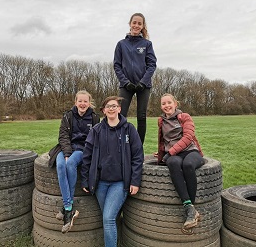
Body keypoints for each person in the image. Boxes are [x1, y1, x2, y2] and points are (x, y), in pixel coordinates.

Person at [81, 96, 144, 247]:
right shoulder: (96, 131)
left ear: (119, 109)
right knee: (109, 217)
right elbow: (86, 157)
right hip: (100, 184)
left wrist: (135, 181)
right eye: (108, 106)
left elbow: (137, 156)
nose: (111, 108)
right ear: (103, 111)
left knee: (108, 218)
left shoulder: (129, 129)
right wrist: (85, 180)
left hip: (120, 183)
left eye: (114, 106)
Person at [156, 93, 205, 233]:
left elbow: (188, 137)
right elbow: (163, 140)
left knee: (188, 165)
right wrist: (161, 153)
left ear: (175, 104)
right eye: (163, 104)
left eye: (169, 103)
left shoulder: (184, 117)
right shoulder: (161, 121)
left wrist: (170, 152)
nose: (166, 106)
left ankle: (191, 208)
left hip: (190, 151)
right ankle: (189, 207)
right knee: (172, 163)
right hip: (174, 154)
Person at [55, 90, 100, 233]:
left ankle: (67, 209)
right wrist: (67, 152)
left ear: (89, 102)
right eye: (80, 101)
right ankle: (69, 207)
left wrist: (73, 154)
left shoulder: (94, 118)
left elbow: (94, 140)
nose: (82, 104)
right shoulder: (67, 116)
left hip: (82, 150)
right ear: (75, 102)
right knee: (61, 165)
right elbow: (63, 136)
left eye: (85, 101)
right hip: (66, 148)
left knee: (70, 163)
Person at [113, 12, 157, 144]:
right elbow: (117, 65)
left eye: (139, 23)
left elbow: (152, 65)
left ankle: (138, 147)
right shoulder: (121, 44)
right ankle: (120, 145)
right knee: (121, 115)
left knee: (141, 116)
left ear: (143, 26)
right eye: (134, 22)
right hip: (126, 85)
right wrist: (125, 82)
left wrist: (143, 82)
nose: (136, 25)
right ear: (130, 24)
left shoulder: (147, 44)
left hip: (143, 86)